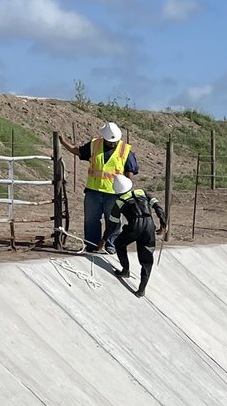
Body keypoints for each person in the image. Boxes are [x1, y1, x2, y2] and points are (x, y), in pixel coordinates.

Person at [59, 122, 138, 254]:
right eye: (110, 141)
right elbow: (78, 151)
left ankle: (111, 245)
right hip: (93, 191)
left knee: (113, 220)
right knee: (91, 220)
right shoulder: (94, 145)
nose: (113, 143)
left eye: (115, 141)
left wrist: (126, 191)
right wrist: (63, 142)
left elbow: (130, 171)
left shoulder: (125, 150)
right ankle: (91, 244)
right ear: (104, 138)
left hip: (114, 193)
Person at [109, 175, 165, 297]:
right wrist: (163, 222)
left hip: (134, 227)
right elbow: (157, 206)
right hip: (149, 227)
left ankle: (125, 270)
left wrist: (104, 238)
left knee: (119, 243)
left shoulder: (119, 202)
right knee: (146, 260)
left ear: (117, 191)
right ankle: (141, 290)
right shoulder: (142, 192)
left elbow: (112, 224)